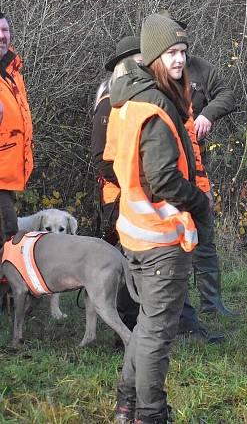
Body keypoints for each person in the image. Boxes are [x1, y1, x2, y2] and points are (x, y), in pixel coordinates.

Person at [108, 13, 212, 424]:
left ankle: (127, 405)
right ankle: (150, 415)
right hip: (160, 236)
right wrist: (199, 203)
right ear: (152, 57)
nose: (179, 60)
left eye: (183, 52)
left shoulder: (131, 98)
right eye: (171, 52)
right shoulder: (154, 106)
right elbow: (164, 178)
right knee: (156, 335)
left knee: (148, 328)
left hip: (136, 234)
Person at [156, 10, 239, 319]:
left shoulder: (201, 69)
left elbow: (228, 93)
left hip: (197, 167)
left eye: (182, 45)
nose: (179, 54)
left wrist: (208, 114)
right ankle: (177, 310)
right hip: (165, 171)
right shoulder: (152, 77)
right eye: (171, 47)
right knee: (171, 242)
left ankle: (212, 303)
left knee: (205, 236)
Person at [91, 35, 142, 331]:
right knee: (125, 262)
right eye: (136, 63)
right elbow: (101, 161)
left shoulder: (137, 100)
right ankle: (124, 326)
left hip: (136, 195)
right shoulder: (109, 104)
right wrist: (134, 180)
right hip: (118, 197)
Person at [0, 10, 33, 242]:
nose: (2, 36)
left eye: (5, 30)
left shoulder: (13, 73)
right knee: (9, 239)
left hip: (8, 176)